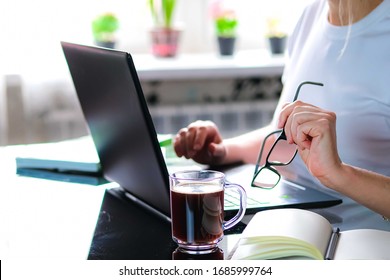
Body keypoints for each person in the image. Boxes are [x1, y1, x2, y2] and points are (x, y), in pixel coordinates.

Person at [173, 0, 390, 219]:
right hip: (291, 227)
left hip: (357, 240)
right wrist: (222, 151)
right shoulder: (311, 15)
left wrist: (338, 174)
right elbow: (285, 137)